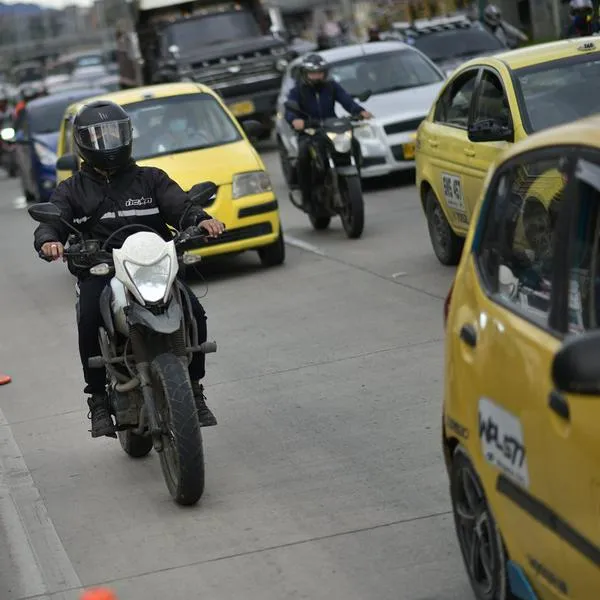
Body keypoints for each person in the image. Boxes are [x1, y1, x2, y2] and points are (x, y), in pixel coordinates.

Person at [32, 100, 225, 439]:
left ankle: (193, 388)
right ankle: (97, 400)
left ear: (127, 135)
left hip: (152, 266)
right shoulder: (71, 190)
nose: (107, 143)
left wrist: (201, 220)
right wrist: (50, 241)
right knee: (88, 317)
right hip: (102, 272)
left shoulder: (151, 179)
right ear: (82, 142)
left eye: (113, 134)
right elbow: (52, 222)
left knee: (195, 312)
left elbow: (180, 207)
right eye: (97, 136)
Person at [284, 54, 373, 208]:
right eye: (313, 72)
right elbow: (289, 109)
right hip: (310, 132)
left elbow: (346, 100)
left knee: (354, 144)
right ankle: (306, 198)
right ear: (305, 73)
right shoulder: (297, 90)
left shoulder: (332, 86)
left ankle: (355, 181)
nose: (317, 76)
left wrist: (360, 111)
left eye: (320, 72)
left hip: (331, 128)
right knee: (304, 154)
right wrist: (294, 120)